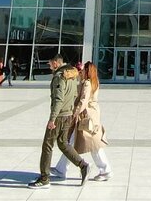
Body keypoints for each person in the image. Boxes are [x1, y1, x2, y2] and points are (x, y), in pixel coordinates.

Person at [29, 55, 89, 189]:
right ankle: (83, 166)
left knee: (47, 145)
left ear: (56, 63)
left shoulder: (59, 76)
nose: (49, 65)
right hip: (68, 114)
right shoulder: (72, 75)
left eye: (50, 63)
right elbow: (74, 95)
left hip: (59, 116)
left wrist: (52, 119)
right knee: (63, 143)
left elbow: (58, 99)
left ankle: (44, 178)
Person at [53, 61, 112, 181]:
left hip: (85, 117)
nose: (82, 71)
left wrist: (75, 113)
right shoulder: (94, 82)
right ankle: (61, 168)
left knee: (87, 145)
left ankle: (105, 170)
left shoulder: (87, 83)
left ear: (87, 71)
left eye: (84, 69)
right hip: (91, 115)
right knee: (75, 143)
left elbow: (83, 100)